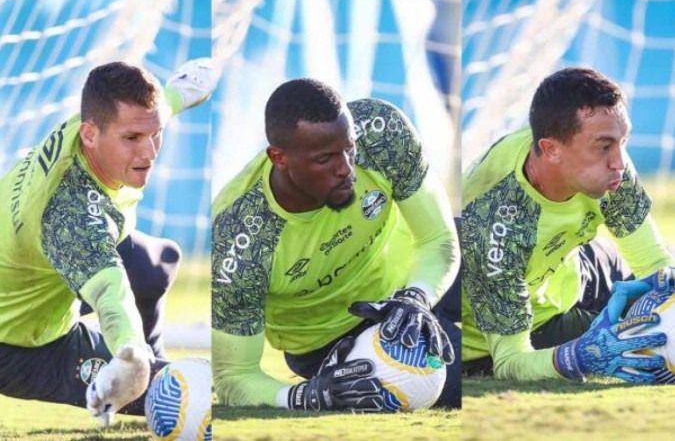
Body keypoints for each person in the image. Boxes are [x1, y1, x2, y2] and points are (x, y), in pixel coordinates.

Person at [212, 78, 461, 411]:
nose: (346, 169)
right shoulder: (238, 237)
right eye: (324, 159)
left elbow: (438, 239)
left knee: (488, 247)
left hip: (416, 279)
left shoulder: (381, 132)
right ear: (279, 157)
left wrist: (416, 296)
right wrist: (305, 395)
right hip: (334, 339)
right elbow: (233, 378)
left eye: (349, 148)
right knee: (459, 384)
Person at [0, 59, 214, 425]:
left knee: (156, 263)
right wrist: (130, 356)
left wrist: (186, 91)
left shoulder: (96, 123)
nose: (149, 153)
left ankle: (152, 349)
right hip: (21, 345)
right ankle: (146, 362)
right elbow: (111, 296)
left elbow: (158, 108)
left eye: (155, 134)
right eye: (132, 139)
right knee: (186, 395)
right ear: (90, 135)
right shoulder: (71, 216)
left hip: (44, 270)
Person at [459, 67, 674, 382]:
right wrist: (577, 357)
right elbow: (510, 360)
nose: (619, 161)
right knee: (652, 347)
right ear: (551, 150)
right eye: (604, 147)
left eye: (622, 142)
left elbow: (655, 265)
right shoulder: (492, 224)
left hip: (576, 267)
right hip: (524, 324)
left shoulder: (606, 161)